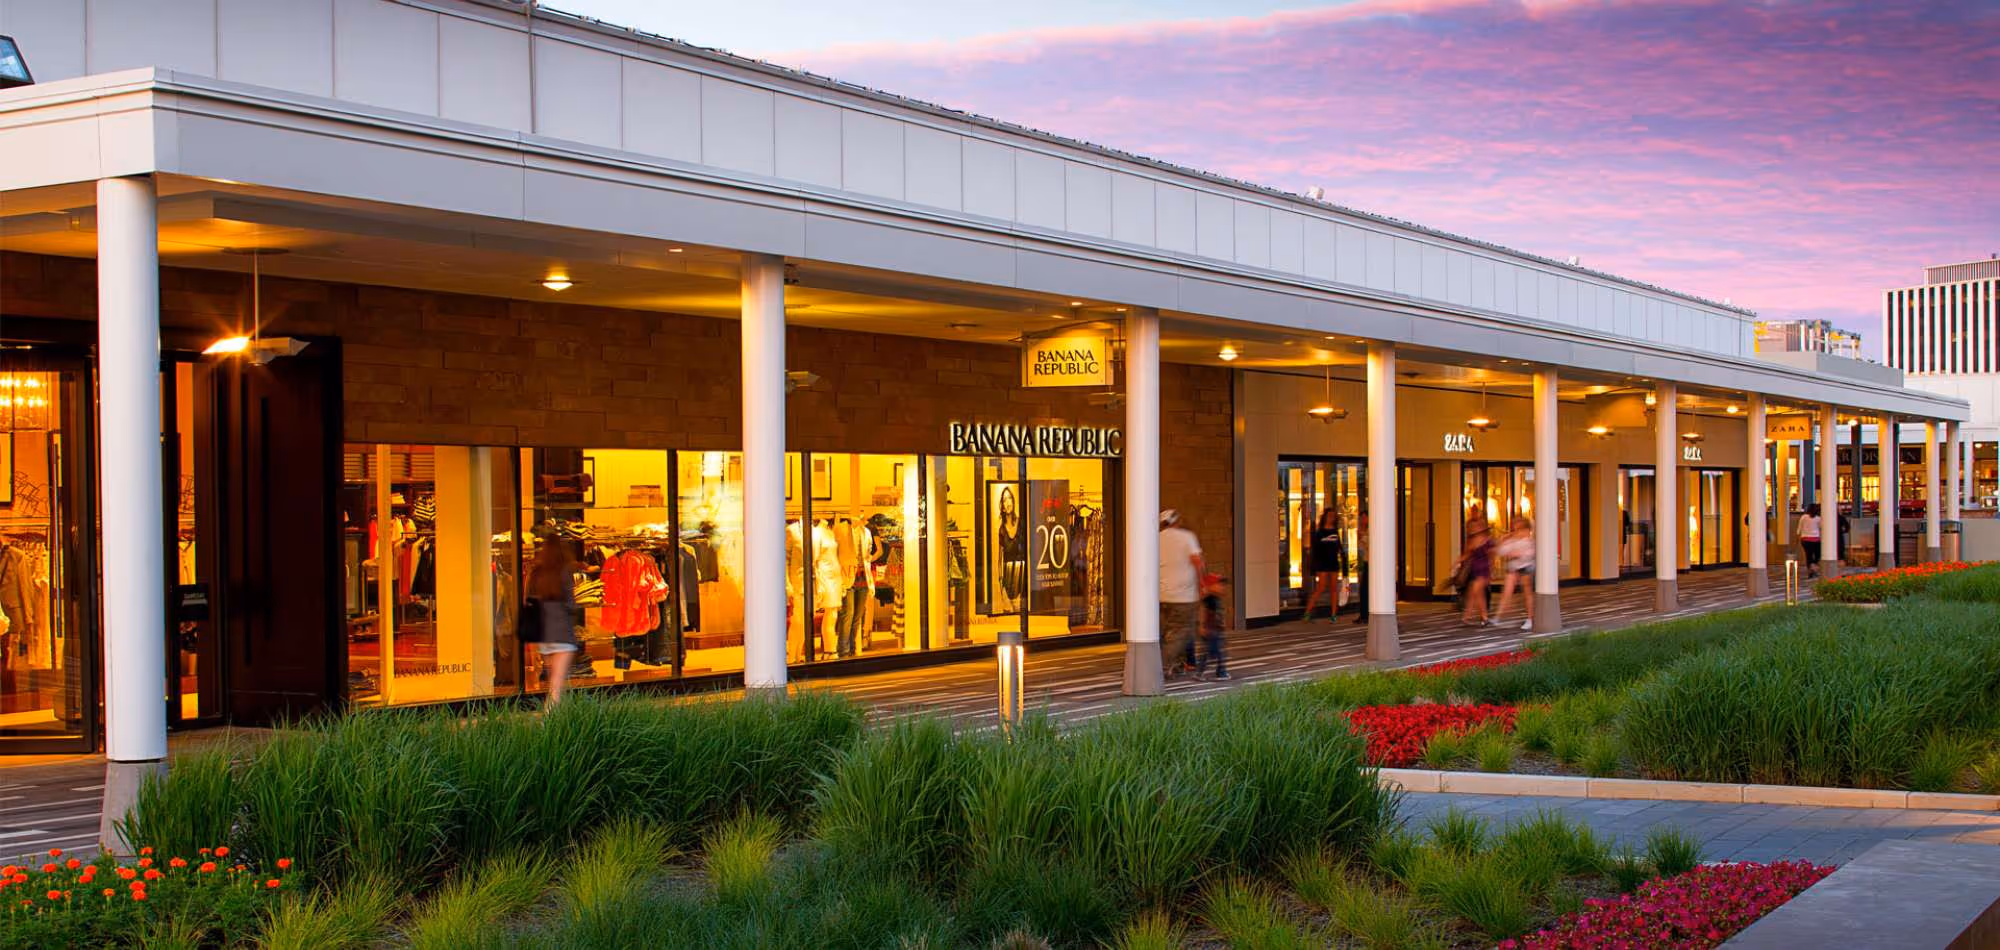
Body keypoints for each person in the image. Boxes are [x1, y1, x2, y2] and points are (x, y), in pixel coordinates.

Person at [524, 538, 582, 708]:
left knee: (552, 680)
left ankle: (552, 719)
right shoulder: (564, 572)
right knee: (557, 685)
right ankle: (549, 723)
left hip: (545, 633)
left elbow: (530, 603)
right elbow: (571, 604)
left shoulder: (536, 573)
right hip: (562, 632)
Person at [1158, 509, 1205, 680]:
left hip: (1162, 595)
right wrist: (1202, 584)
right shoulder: (1187, 537)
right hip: (1184, 596)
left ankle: (1176, 665)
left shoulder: (1155, 539)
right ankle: (1163, 666)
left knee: (1167, 632)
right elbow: (1197, 562)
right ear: (1176, 521)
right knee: (1181, 632)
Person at [1302, 509, 1348, 622]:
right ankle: (1307, 612)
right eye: (1329, 516)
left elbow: (1339, 547)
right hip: (1322, 563)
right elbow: (1315, 550)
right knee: (1320, 587)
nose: (1331, 518)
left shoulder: (1335, 531)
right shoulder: (1320, 532)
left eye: (1333, 516)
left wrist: (1343, 558)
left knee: (1334, 589)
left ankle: (1333, 615)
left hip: (1333, 563)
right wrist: (1314, 565)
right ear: (1325, 517)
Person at [1491, 518, 1536, 632]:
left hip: (1526, 567)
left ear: (1526, 530)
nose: (1516, 531)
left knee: (1527, 593)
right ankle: (1498, 616)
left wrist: (1514, 553)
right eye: (1515, 529)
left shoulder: (1529, 541)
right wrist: (1502, 540)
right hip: (1514, 567)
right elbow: (1501, 551)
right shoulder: (1512, 540)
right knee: (1507, 591)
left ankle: (1530, 618)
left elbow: (1528, 554)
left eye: (1519, 529)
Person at [1456, 517, 1495, 627]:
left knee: (1477, 591)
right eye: (1472, 527)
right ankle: (1474, 617)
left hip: (1484, 570)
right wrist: (1457, 562)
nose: (1473, 529)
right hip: (1475, 570)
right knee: (1474, 594)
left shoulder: (1487, 541)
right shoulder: (1471, 541)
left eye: (1476, 527)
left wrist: (1492, 571)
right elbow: (1467, 554)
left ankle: (1478, 617)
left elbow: (1491, 556)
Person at [1193, 573, 1230, 681]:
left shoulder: (1216, 599)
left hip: (1215, 630)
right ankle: (1221, 673)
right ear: (1210, 586)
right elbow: (1203, 612)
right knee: (1218, 652)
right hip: (1210, 630)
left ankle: (1201, 673)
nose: (1222, 587)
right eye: (1219, 584)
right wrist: (1202, 626)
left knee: (1210, 652)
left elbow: (1219, 615)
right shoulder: (1209, 599)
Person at [1797, 503, 1822, 575]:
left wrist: (1798, 536)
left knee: (1808, 555)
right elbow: (1821, 528)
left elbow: (1799, 528)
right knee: (1818, 554)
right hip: (1816, 539)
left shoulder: (1803, 517)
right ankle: (1813, 565)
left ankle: (1810, 570)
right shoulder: (1818, 519)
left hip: (1805, 539)